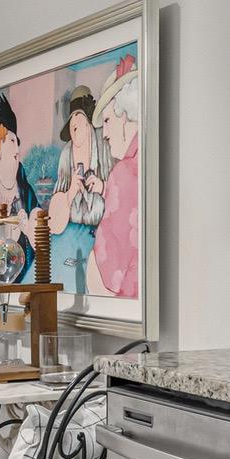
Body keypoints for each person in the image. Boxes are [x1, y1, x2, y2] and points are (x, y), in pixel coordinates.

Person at [48, 84, 107, 294]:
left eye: (81, 122)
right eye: (73, 125)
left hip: (99, 237)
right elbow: (54, 221)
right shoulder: (66, 155)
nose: (77, 130)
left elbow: (124, 198)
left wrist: (102, 187)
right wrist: (71, 192)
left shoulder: (103, 147)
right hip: (68, 235)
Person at [91, 55, 140, 298]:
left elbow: (110, 268)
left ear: (126, 113)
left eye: (108, 120)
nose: (105, 134)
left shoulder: (123, 174)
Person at [0, 92, 38, 283]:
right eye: (12, 141)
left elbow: (35, 209)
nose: (17, 150)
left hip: (25, 262)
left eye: (17, 142)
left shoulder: (21, 174)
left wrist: (28, 222)